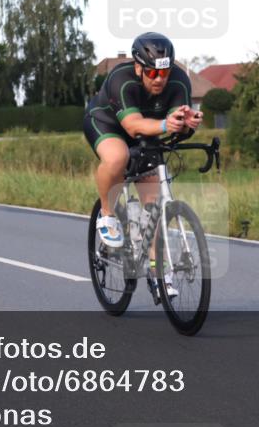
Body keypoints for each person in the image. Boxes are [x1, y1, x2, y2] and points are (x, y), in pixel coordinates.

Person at [83, 32, 204, 297]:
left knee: (153, 206)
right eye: (152, 74)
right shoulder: (121, 80)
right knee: (118, 157)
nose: (160, 79)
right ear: (138, 68)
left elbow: (176, 122)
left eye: (165, 73)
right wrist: (165, 124)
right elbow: (132, 125)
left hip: (148, 132)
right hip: (108, 124)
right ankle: (107, 214)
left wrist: (187, 124)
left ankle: (156, 269)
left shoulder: (179, 81)